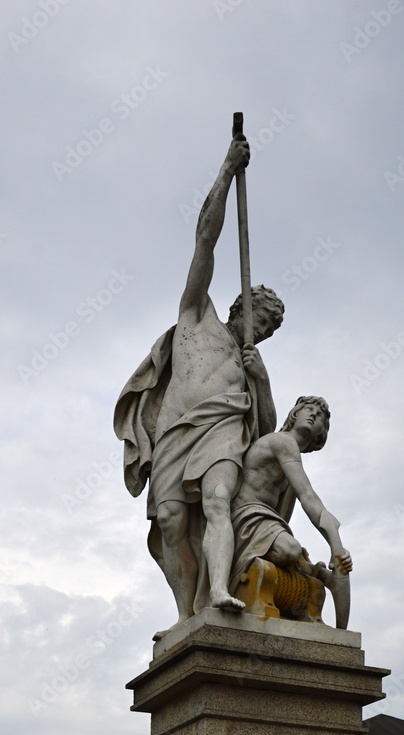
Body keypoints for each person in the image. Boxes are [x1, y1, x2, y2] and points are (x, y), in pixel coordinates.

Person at [114, 135, 284, 631]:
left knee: (216, 502)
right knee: (170, 521)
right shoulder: (196, 315)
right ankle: (186, 614)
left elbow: (266, 430)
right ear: (239, 307)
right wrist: (228, 170)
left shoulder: (250, 366)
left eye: (268, 329)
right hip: (175, 430)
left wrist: (261, 381)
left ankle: (219, 589)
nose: (261, 331)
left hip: (222, 430)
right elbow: (204, 240)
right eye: (259, 319)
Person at [229, 396, 352, 626]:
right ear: (294, 414)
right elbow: (309, 497)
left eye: (320, 416)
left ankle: (317, 575)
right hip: (246, 516)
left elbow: (295, 507)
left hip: (264, 521)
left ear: (321, 434)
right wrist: (336, 545)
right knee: (290, 549)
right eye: (308, 409)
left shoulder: (290, 464)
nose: (313, 414)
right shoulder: (283, 442)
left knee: (292, 551)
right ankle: (318, 574)